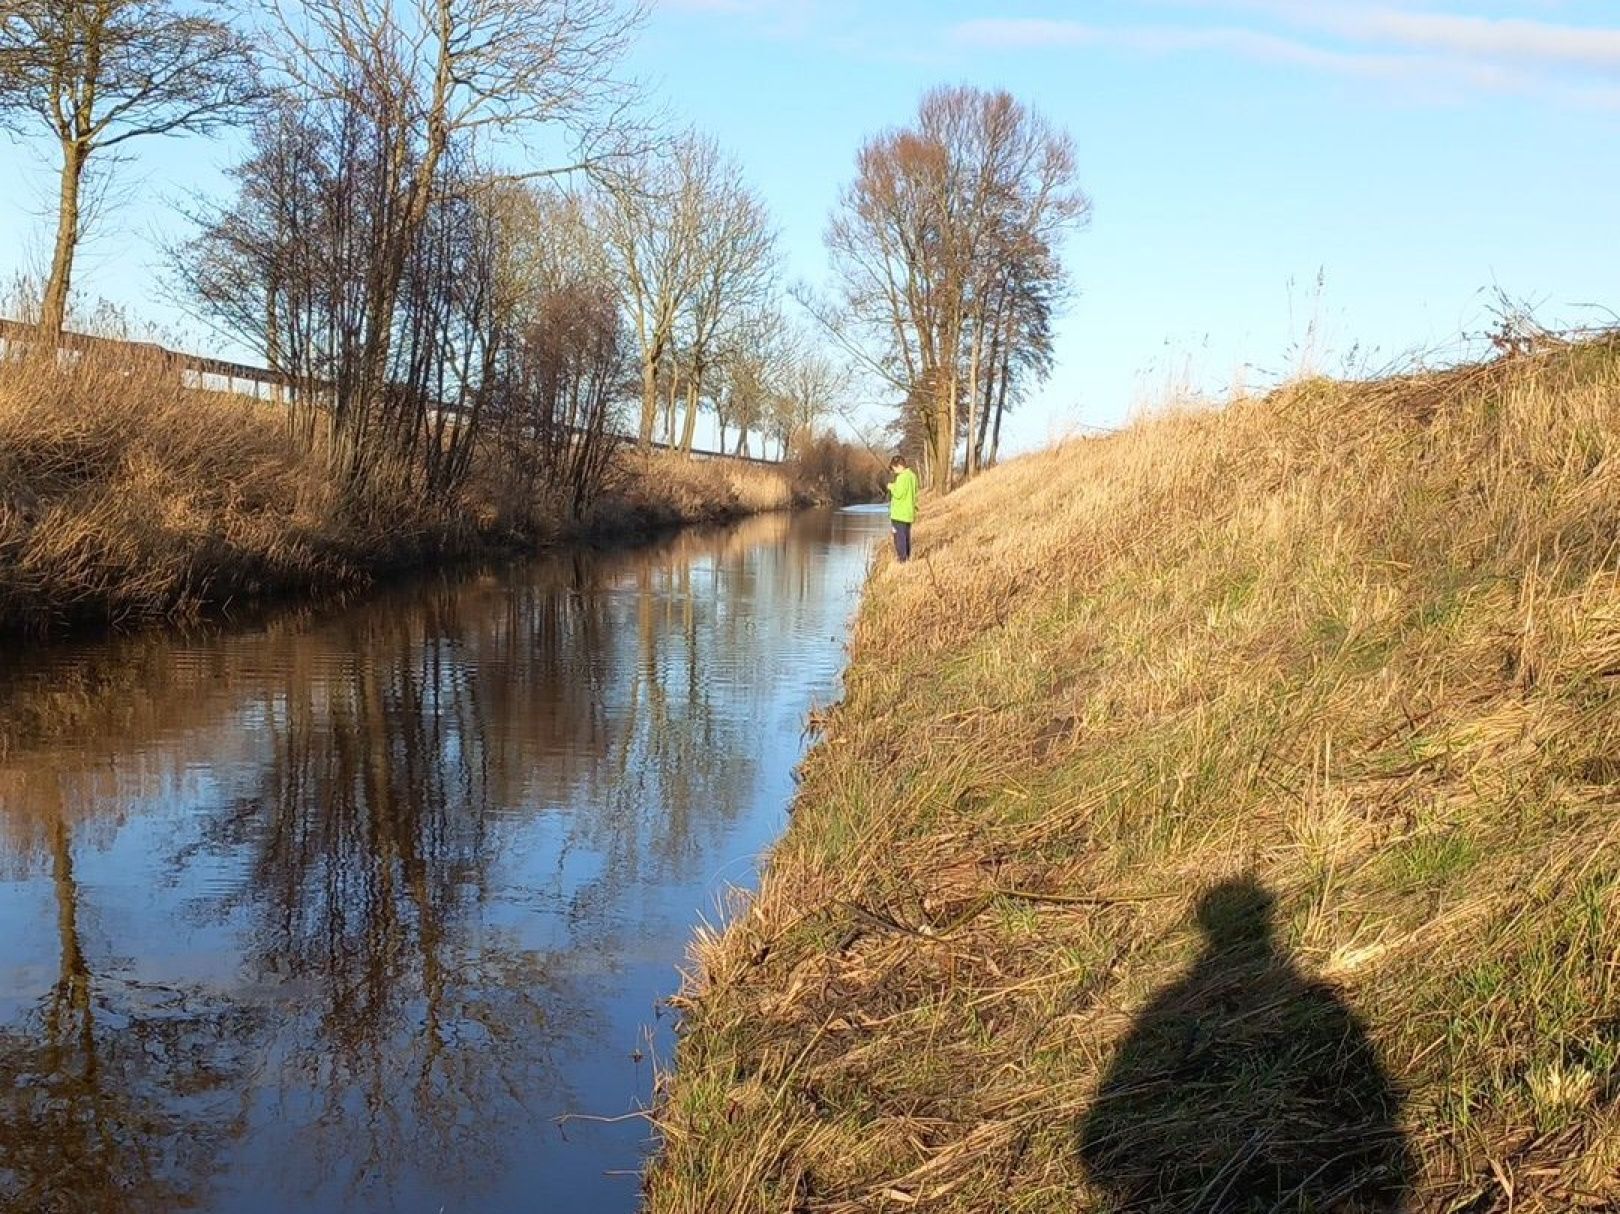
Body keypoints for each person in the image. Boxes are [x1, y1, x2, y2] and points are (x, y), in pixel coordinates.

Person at [887, 455, 918, 562]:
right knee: (906, 537)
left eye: (894, 468)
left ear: (899, 466)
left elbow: (898, 494)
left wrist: (891, 487)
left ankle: (902, 560)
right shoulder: (912, 476)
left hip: (899, 514)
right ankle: (907, 558)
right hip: (909, 513)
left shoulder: (901, 477)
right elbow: (914, 492)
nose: (894, 471)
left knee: (899, 538)